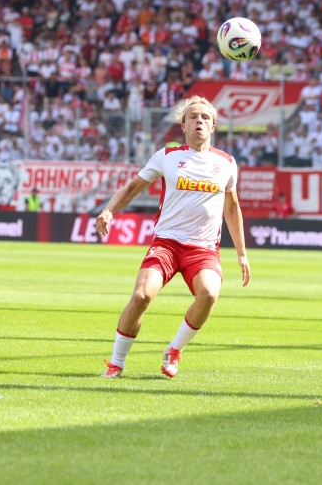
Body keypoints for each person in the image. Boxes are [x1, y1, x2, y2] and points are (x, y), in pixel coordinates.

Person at [96, 94, 251, 378]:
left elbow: (233, 207)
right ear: (183, 125)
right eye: (192, 117)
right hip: (167, 243)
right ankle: (117, 362)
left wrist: (241, 253)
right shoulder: (167, 156)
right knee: (142, 295)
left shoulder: (227, 163)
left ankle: (175, 350)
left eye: (205, 117)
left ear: (213, 125)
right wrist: (109, 211)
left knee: (209, 294)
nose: (199, 121)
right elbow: (132, 188)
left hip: (203, 249)